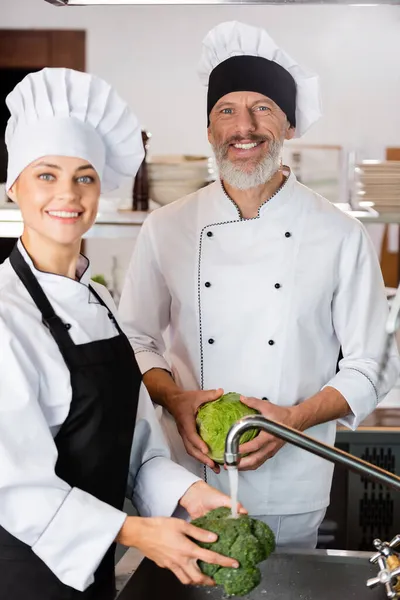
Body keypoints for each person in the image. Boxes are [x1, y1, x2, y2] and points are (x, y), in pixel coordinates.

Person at [119, 21, 400, 549]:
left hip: (294, 483)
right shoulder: (166, 227)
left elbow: (376, 362)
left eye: (262, 108)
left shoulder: (340, 234)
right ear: (209, 128)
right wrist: (176, 400)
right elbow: (135, 340)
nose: (243, 127)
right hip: (184, 480)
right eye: (226, 110)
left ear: (289, 125)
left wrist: (292, 420)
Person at [0, 67, 245, 600]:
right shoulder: (4, 315)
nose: (67, 193)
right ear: (14, 185)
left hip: (92, 573)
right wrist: (133, 531)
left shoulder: (100, 301)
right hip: (21, 575)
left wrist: (189, 493)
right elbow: (14, 488)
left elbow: (135, 447)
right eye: (46, 174)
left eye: (84, 176)